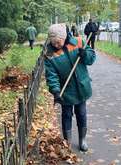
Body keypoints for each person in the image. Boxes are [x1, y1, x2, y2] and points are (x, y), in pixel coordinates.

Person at [44, 24, 96, 152]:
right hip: (65, 91)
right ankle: (67, 143)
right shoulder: (50, 54)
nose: (56, 45)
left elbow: (91, 58)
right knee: (66, 115)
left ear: (65, 36)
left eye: (58, 41)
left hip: (81, 87)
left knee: (81, 113)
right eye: (53, 42)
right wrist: (55, 91)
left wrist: (85, 55)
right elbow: (52, 75)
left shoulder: (78, 42)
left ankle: (82, 140)